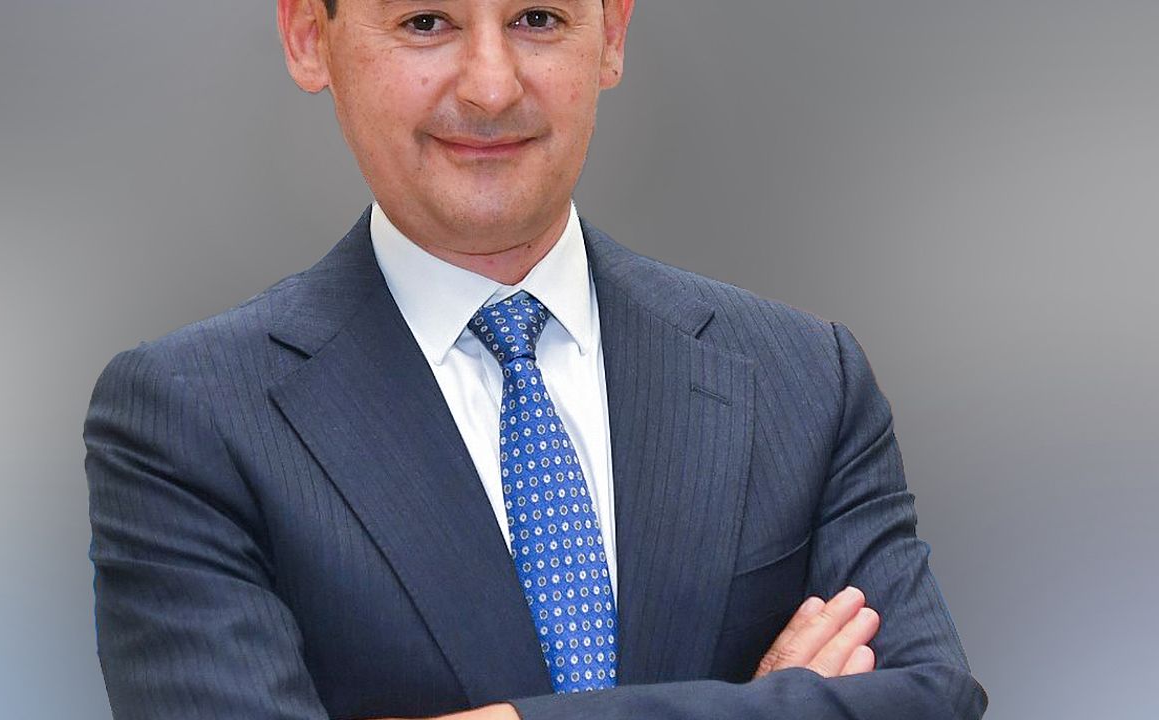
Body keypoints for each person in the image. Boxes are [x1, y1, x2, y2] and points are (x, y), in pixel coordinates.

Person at [83, 1, 987, 718]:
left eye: (537, 19)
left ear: (612, 35)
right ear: (308, 38)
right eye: (425, 22)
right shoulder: (187, 419)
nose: (490, 86)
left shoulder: (804, 378)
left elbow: (931, 697)